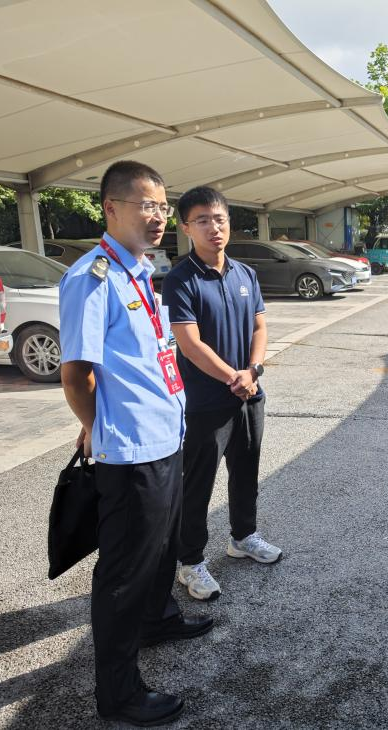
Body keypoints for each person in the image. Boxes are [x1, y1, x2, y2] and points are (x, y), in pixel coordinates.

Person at [60, 160, 213, 726]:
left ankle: (157, 619)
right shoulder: (93, 277)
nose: (158, 216)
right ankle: (119, 692)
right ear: (111, 208)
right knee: (124, 573)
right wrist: (97, 427)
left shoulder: (140, 271)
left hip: (164, 435)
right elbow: (76, 375)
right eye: (147, 205)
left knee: (161, 548)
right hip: (130, 452)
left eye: (162, 206)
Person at [162, 186, 281, 603]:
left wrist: (253, 371)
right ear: (186, 227)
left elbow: (260, 327)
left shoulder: (245, 274)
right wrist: (234, 377)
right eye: (202, 220)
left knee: (246, 472)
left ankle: (243, 537)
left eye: (219, 219)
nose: (214, 228)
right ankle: (190, 561)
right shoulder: (181, 279)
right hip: (205, 403)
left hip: (249, 395)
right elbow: (190, 343)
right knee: (197, 484)